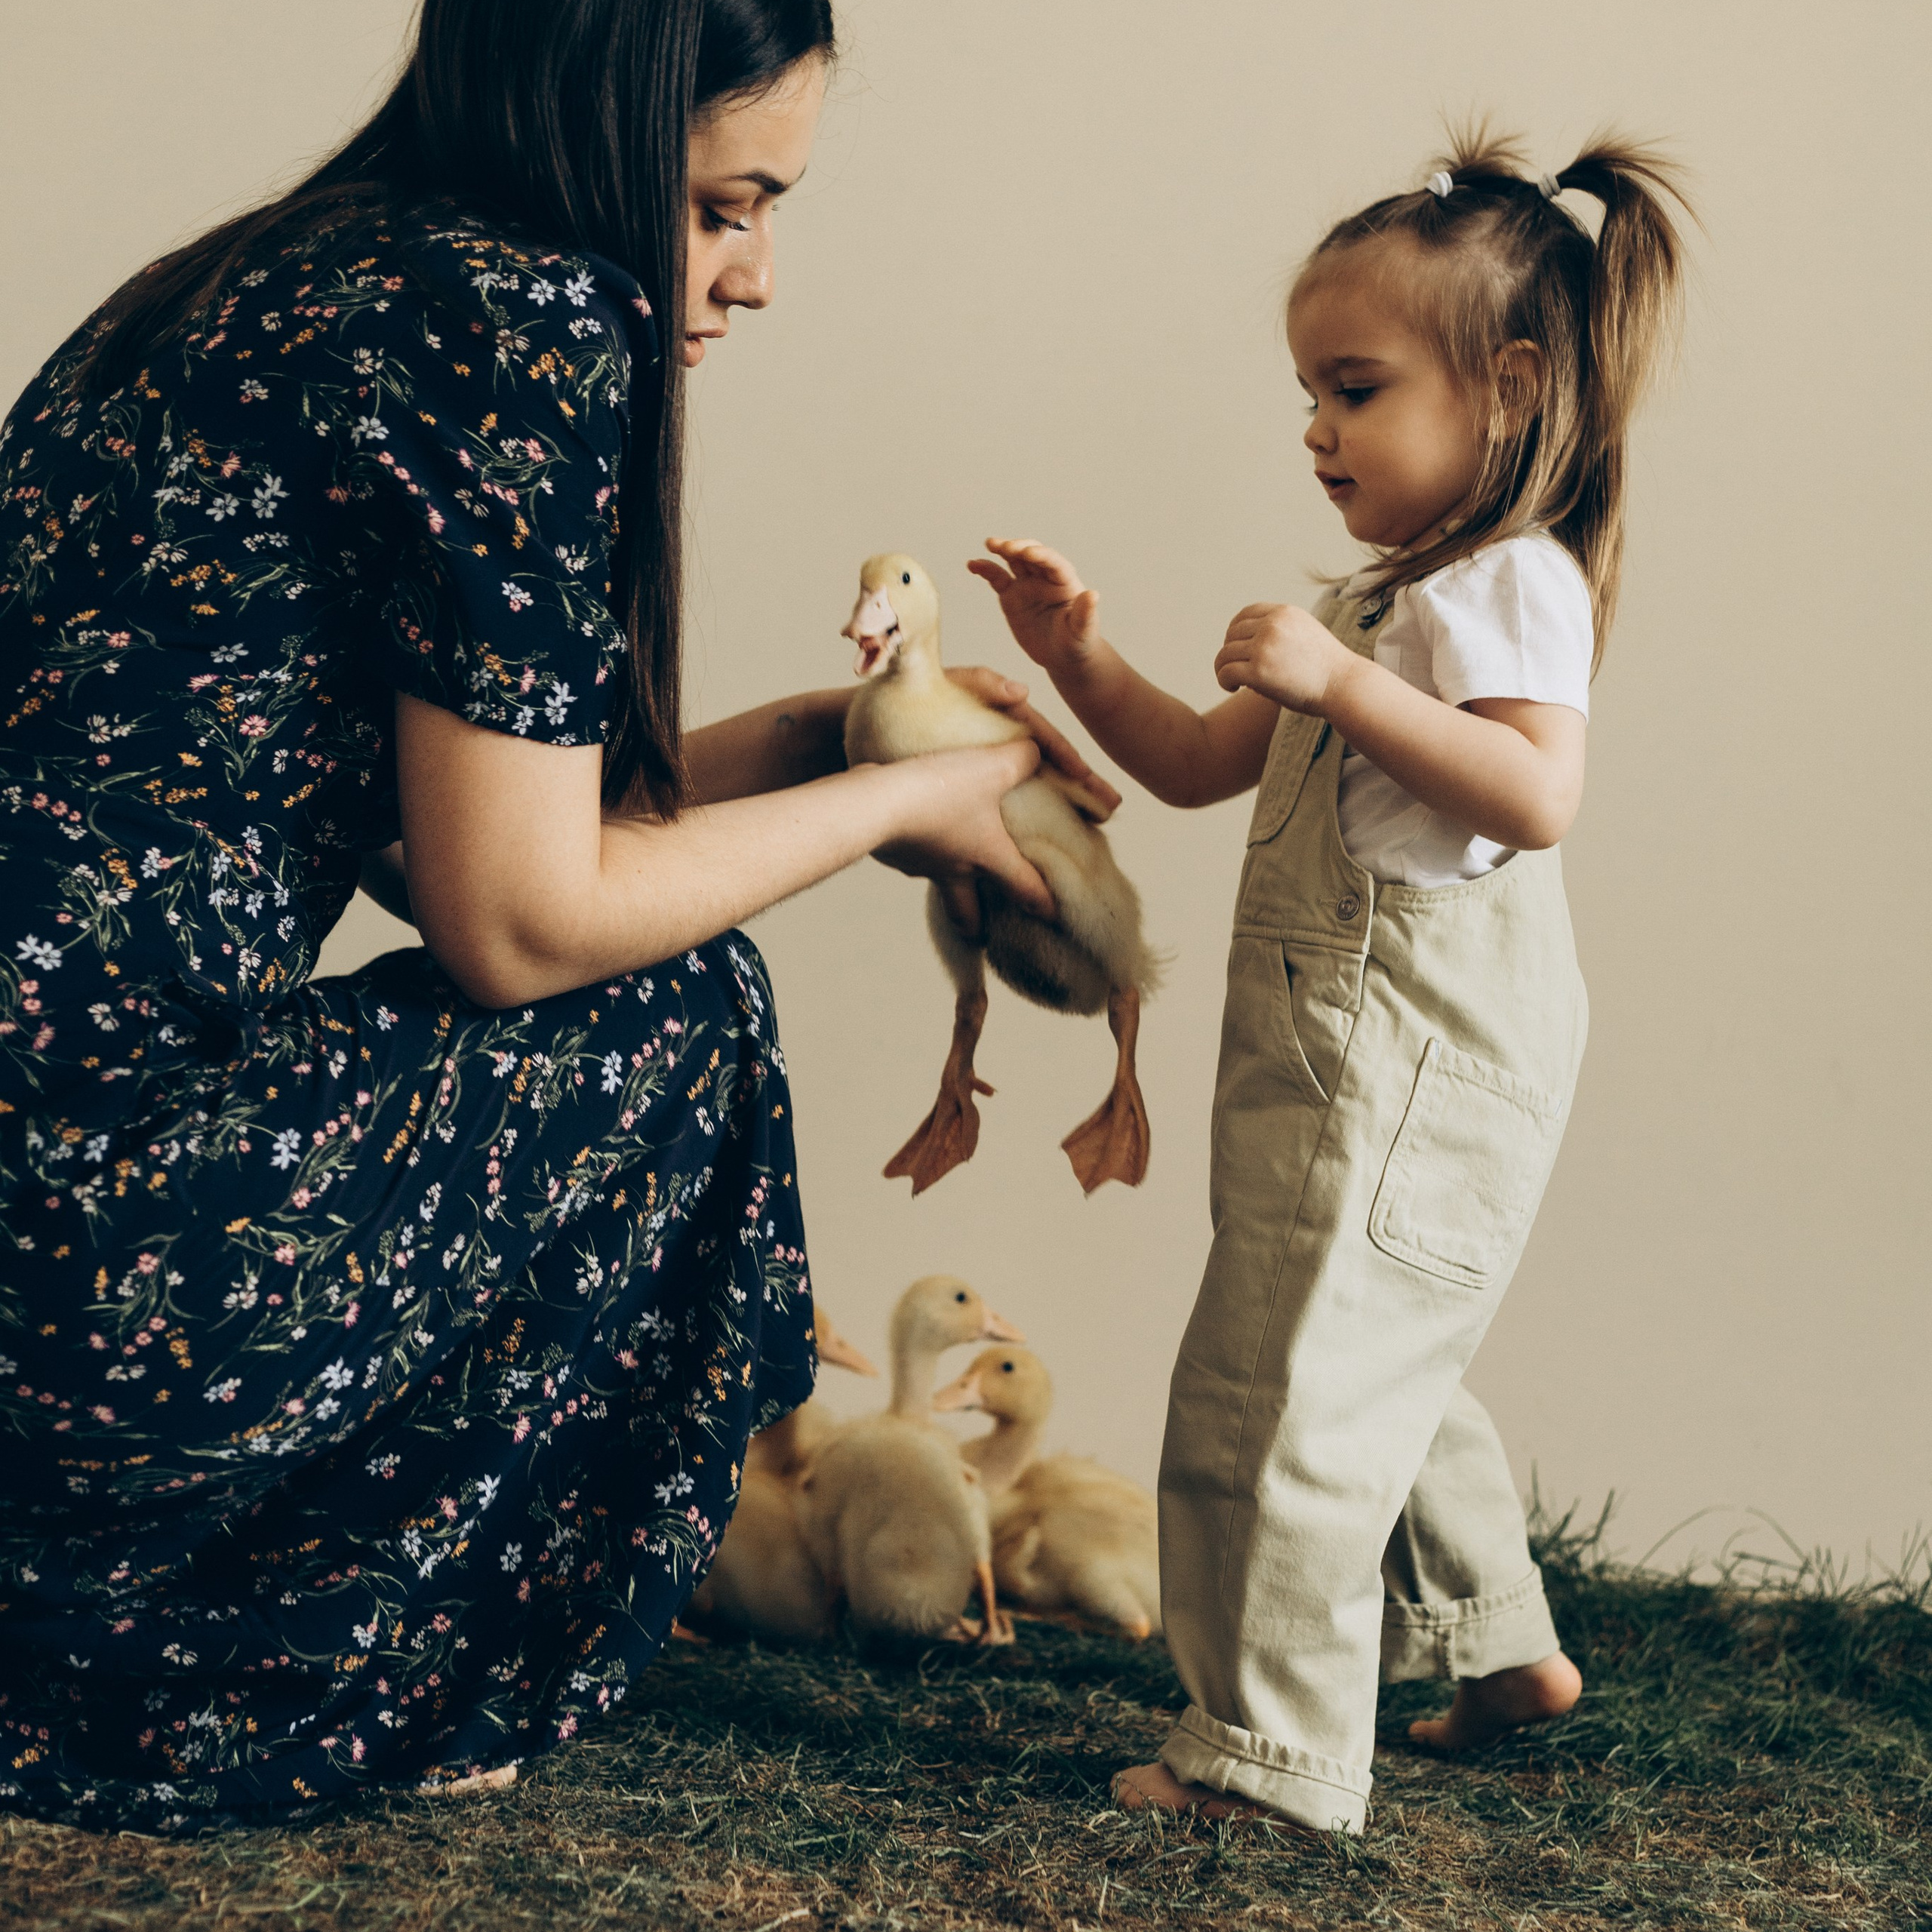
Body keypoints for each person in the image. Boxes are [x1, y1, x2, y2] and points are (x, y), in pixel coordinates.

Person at [0, 0, 1106, 1830]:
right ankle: (337, 1653)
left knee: (650, 966)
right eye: (722, 204)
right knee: (684, 1012)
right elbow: (520, 922)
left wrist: (848, 734)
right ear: (594, 132)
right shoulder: (508, 312)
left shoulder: (237, 286)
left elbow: (514, 827)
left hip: (52, 1228)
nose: (753, 276)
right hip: (82, 1273)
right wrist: (906, 800)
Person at [971, 128, 1690, 1834]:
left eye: (1352, 387)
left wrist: (1335, 680)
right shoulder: (1388, 601)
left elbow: (1532, 793)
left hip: (1405, 1052)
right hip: (1346, 1054)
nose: (1314, 429)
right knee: (1374, 1350)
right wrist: (1080, 657)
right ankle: (1496, 1642)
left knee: (1275, 1387)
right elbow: (1200, 766)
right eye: (1308, 390)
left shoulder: (1506, 585)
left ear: (1506, 390)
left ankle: (1269, 1752)